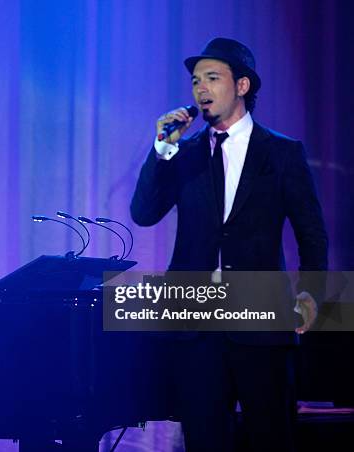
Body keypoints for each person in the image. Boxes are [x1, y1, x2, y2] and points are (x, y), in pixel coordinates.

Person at [131, 38, 328, 452]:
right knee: (204, 439)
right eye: (195, 80)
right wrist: (162, 147)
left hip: (262, 321)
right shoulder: (182, 155)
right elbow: (144, 213)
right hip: (196, 322)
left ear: (241, 86)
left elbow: (311, 233)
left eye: (212, 78)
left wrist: (311, 293)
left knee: (271, 437)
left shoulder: (282, 153)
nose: (201, 88)